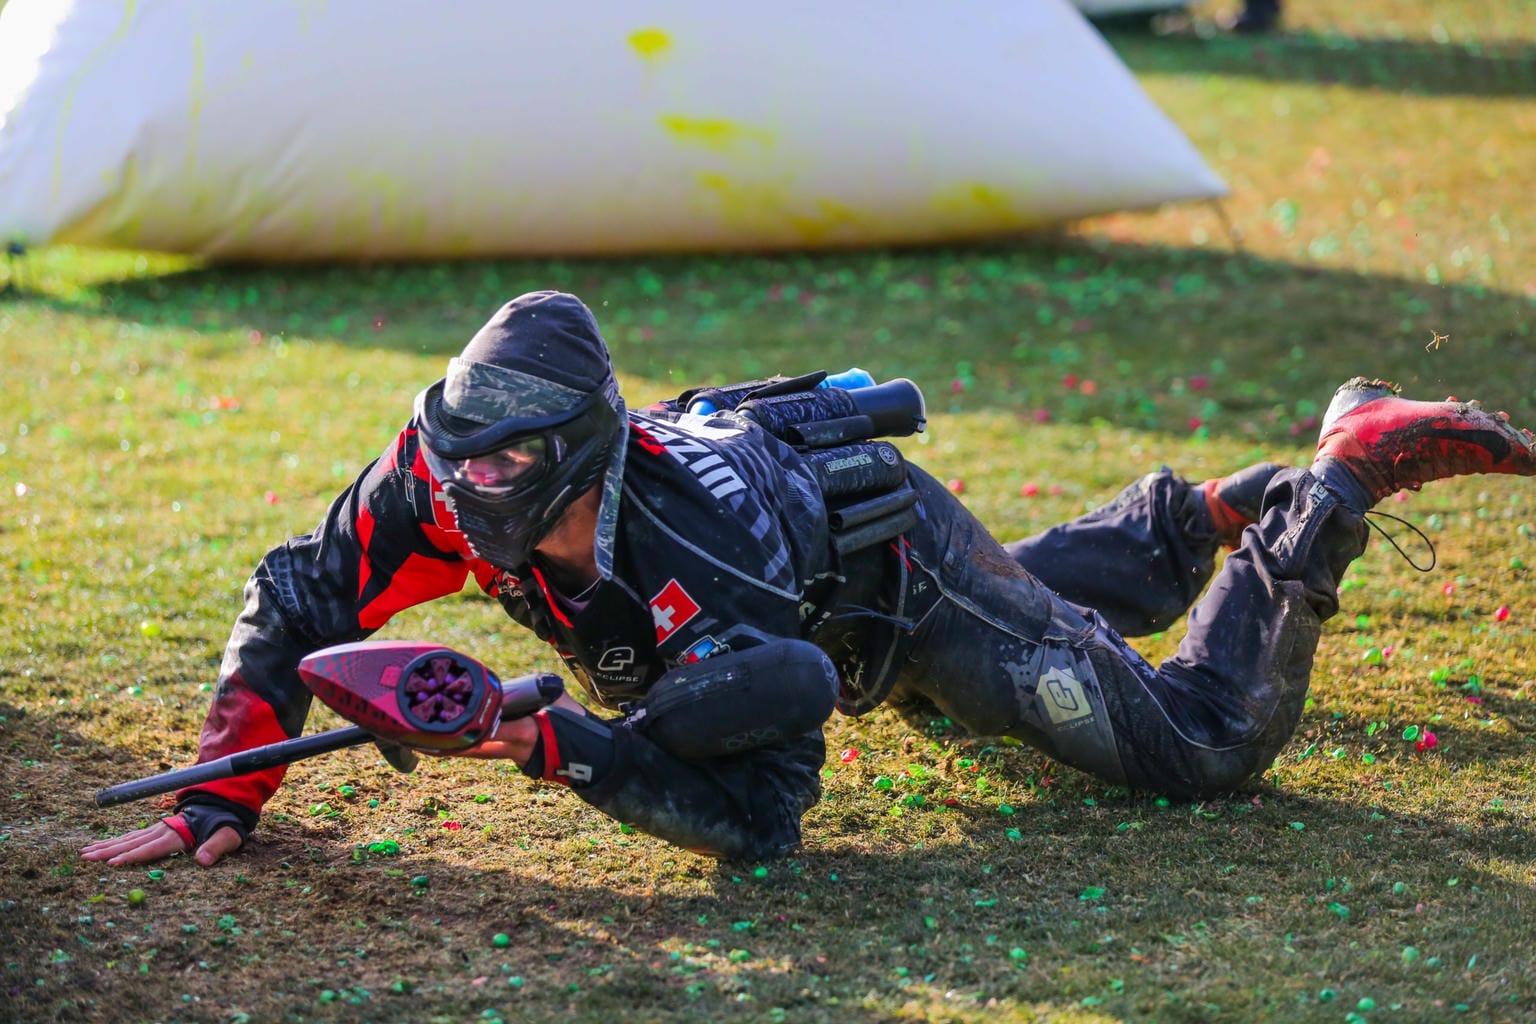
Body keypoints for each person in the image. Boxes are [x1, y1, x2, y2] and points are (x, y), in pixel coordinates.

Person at [82, 291, 1536, 867]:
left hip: (896, 582)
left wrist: (546, 744)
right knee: (1032, 622)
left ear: (580, 459)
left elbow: (764, 813)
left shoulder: (693, 555)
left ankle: (1337, 478)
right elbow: (299, 595)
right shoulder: (436, 486)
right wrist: (225, 791)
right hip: (809, 588)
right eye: (455, 455)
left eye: (503, 463)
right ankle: (1209, 511)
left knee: (1197, 746)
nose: (463, 489)